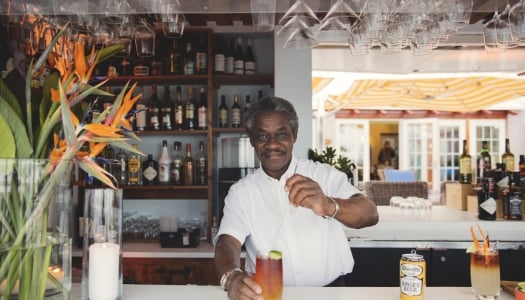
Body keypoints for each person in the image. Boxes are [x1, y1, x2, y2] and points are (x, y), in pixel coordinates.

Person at [214, 96, 379, 299]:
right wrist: (231, 276)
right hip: (268, 294)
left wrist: (329, 205)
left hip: (331, 293)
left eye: (281, 134)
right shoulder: (241, 192)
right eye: (263, 136)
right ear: (252, 141)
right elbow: (227, 242)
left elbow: (370, 214)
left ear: (294, 135)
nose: (272, 144)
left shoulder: (324, 175)